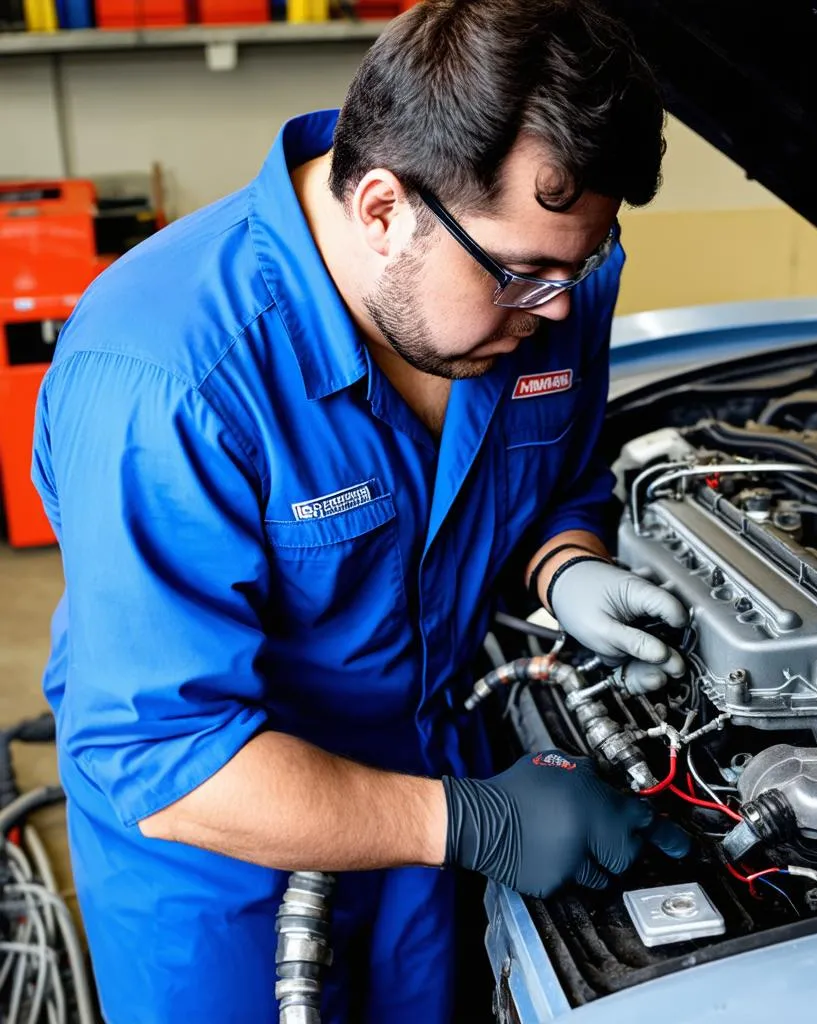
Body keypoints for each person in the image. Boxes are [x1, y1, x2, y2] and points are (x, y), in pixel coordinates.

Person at [31, 1, 691, 1020]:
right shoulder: (164, 379)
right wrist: (474, 823)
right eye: (525, 275)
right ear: (382, 208)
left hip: (429, 832)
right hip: (222, 879)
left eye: (583, 265)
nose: (557, 309)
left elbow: (555, 481)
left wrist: (567, 564)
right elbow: (164, 752)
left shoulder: (543, 286)